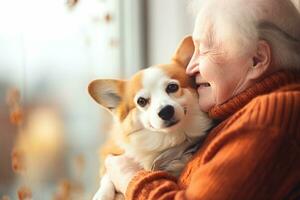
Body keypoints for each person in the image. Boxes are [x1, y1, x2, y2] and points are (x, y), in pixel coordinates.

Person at [104, 0, 300, 199]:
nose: (189, 68)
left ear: (256, 60)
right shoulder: (227, 121)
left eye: (204, 50)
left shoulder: (268, 119)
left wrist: (130, 177)